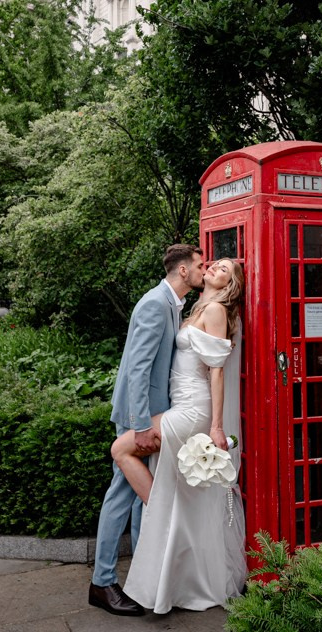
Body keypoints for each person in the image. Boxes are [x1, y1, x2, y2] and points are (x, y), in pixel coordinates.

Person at [114, 258, 247, 614]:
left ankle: (161, 512)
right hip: (182, 403)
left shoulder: (216, 309)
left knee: (121, 449)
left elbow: (216, 372)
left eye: (224, 270)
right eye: (215, 264)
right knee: (179, 487)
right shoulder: (196, 305)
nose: (215, 268)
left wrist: (216, 426)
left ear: (230, 285)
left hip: (192, 409)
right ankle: (170, 525)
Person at [88, 243, 206, 618]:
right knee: (122, 495)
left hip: (155, 415)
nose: (204, 270)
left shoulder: (172, 303)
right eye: (200, 265)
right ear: (183, 271)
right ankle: (102, 582)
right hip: (140, 417)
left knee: (143, 500)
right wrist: (140, 425)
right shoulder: (156, 303)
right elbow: (137, 368)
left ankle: (144, 579)